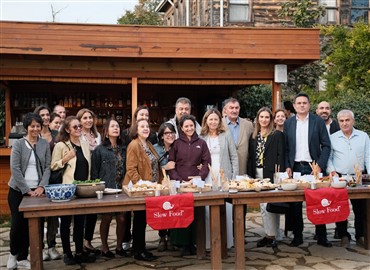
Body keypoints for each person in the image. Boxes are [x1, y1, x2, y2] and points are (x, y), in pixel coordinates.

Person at [284, 93, 332, 247]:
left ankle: (322, 236)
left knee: (319, 201)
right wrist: (288, 166)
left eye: (305, 103)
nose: (302, 105)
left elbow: (326, 145)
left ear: (309, 105)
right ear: (294, 106)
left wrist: (320, 165)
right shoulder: (289, 123)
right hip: (296, 167)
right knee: (296, 204)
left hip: (314, 167)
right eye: (299, 103)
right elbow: (286, 148)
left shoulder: (317, 122)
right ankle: (298, 236)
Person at [7, 113, 51, 270]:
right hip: (18, 190)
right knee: (18, 225)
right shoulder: (18, 144)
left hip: (37, 191)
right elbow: (15, 169)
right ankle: (13, 255)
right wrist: (26, 190)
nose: (35, 128)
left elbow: (47, 167)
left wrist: (41, 187)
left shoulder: (44, 144)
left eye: (38, 126)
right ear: (27, 127)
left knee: (33, 225)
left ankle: (23, 257)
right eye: (32, 126)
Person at [51, 116, 96, 265]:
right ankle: (67, 253)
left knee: (79, 222)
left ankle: (79, 252)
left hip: (82, 188)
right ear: (67, 129)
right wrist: (65, 159)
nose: (78, 129)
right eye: (75, 127)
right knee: (65, 222)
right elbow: (53, 166)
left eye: (79, 127)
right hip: (67, 189)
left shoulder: (83, 143)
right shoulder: (61, 145)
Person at [168, 114, 211, 256]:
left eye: (191, 125)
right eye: (186, 126)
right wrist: (179, 180)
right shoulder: (176, 143)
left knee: (197, 213)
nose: (189, 128)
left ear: (195, 126)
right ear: (181, 127)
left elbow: (206, 163)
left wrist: (199, 177)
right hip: (180, 184)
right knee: (182, 213)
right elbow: (171, 165)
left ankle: (196, 242)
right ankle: (183, 244)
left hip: (196, 184)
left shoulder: (202, 143)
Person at [327, 109, 369, 248]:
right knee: (340, 207)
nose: (345, 123)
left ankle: (360, 235)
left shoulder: (363, 136)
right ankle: (343, 234)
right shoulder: (333, 137)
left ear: (353, 121)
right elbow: (329, 158)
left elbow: (368, 156)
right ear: (338, 122)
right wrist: (332, 171)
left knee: (361, 209)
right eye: (341, 121)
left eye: (347, 120)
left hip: (358, 178)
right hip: (340, 178)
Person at [123, 118, 162, 261]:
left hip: (151, 188)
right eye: (142, 126)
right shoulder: (134, 145)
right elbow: (131, 168)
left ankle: (140, 248)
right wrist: (141, 184)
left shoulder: (149, 144)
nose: (146, 128)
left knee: (143, 218)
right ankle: (138, 250)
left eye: (147, 126)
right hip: (140, 188)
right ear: (136, 130)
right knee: (139, 218)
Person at [200, 109, 238, 249]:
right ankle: (209, 243)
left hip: (224, 175)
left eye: (216, 119)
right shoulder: (202, 136)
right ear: (206, 121)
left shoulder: (226, 135)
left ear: (219, 121)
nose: (213, 122)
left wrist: (234, 178)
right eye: (210, 119)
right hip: (207, 176)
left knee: (226, 209)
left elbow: (234, 156)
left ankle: (226, 242)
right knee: (207, 209)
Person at [247, 107, 285, 248]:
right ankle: (273, 234)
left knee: (269, 205)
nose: (264, 120)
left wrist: (279, 174)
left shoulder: (277, 135)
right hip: (257, 174)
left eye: (267, 117)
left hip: (271, 173)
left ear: (271, 119)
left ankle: (271, 235)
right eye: (261, 117)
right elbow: (251, 157)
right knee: (263, 205)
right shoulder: (254, 135)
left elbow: (281, 155)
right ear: (257, 119)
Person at [91, 118, 128, 257]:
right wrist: (97, 189)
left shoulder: (124, 148)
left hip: (122, 188)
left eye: (117, 126)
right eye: (112, 126)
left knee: (122, 218)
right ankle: (105, 248)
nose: (116, 128)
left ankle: (119, 247)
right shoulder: (99, 150)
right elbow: (94, 172)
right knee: (106, 218)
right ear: (106, 131)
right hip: (106, 189)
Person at [33, 105, 61, 261]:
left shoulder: (56, 134)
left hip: (55, 178)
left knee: (53, 216)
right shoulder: (34, 135)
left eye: (47, 115)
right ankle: (41, 248)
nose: (45, 117)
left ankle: (51, 245)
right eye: (41, 115)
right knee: (39, 216)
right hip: (37, 180)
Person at [76, 108, 101, 254]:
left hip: (95, 176)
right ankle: (79, 244)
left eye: (90, 118)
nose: (88, 120)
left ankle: (88, 241)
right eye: (85, 118)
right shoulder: (79, 136)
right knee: (81, 211)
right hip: (83, 176)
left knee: (93, 211)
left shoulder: (97, 136)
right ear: (79, 121)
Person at [315, 101, 340, 240]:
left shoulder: (336, 125)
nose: (324, 111)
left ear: (330, 110)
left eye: (327, 108)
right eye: (321, 108)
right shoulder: (313, 124)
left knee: (337, 199)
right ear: (317, 110)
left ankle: (340, 229)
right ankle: (320, 233)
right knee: (319, 200)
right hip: (317, 166)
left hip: (334, 168)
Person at [153, 122, 176, 252]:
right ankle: (162, 237)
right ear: (161, 136)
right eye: (167, 133)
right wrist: (164, 167)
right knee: (162, 209)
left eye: (172, 132)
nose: (170, 135)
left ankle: (172, 237)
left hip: (174, 182)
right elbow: (151, 166)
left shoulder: (178, 146)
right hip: (160, 183)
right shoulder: (155, 148)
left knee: (173, 209)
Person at [222, 97, 254, 175]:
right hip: (224, 166)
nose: (234, 110)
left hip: (243, 165)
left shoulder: (248, 125)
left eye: (237, 108)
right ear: (225, 110)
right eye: (231, 108)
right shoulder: (219, 124)